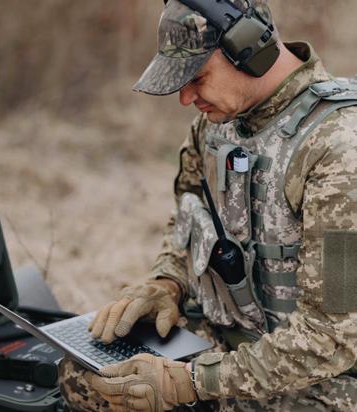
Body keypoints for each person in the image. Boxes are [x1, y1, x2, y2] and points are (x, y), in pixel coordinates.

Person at [58, 0, 357, 410]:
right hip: (231, 338)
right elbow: (189, 218)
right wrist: (167, 282)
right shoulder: (217, 124)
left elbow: (332, 338)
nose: (186, 98)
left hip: (324, 375)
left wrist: (192, 383)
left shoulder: (339, 149)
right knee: (87, 376)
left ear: (250, 50)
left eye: (197, 77)